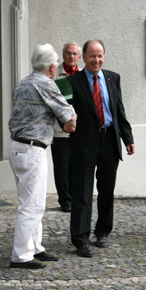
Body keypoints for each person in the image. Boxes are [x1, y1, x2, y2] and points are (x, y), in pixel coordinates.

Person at [8, 44, 77, 269]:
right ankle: (21, 256)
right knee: (32, 205)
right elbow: (67, 115)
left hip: (17, 147)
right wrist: (71, 122)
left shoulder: (23, 83)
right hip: (32, 149)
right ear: (50, 66)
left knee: (33, 201)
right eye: (56, 63)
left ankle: (35, 247)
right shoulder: (46, 84)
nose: (56, 67)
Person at [67, 39, 135, 258]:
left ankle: (103, 232)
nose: (96, 60)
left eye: (100, 55)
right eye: (92, 56)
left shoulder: (113, 78)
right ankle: (81, 239)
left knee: (106, 190)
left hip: (109, 141)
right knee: (83, 193)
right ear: (83, 57)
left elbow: (119, 111)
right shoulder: (73, 81)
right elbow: (63, 112)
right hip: (84, 142)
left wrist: (128, 137)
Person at [52, 42, 82, 212]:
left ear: (79, 57)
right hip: (60, 129)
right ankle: (65, 200)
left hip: (79, 130)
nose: (71, 57)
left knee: (76, 165)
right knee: (62, 166)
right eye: (68, 53)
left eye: (75, 54)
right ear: (63, 55)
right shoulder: (55, 74)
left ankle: (75, 197)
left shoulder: (83, 75)